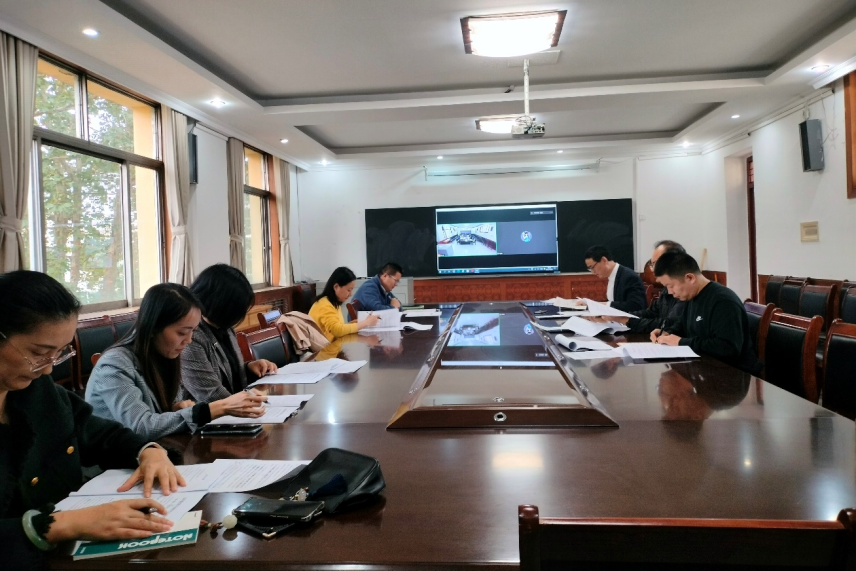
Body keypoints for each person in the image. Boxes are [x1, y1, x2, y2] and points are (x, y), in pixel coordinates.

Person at [0, 271, 185, 570]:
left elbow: (100, 434)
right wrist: (60, 524)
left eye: (59, 354)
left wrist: (148, 451)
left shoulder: (37, 390)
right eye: (39, 353)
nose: (47, 370)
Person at [86, 284, 266, 441]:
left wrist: (176, 408)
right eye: (182, 333)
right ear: (154, 326)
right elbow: (141, 426)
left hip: (160, 451)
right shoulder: (114, 365)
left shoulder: (164, 354)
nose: (188, 340)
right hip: (117, 464)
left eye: (193, 331)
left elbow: (165, 412)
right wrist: (215, 409)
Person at [651, 251, 761, 375]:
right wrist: (667, 333)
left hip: (732, 375)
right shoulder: (692, 296)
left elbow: (727, 348)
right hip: (704, 368)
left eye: (671, 286)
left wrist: (681, 342)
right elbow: (682, 324)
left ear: (690, 278)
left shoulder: (723, 301)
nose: (670, 292)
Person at [181, 264, 278, 403]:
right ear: (222, 304)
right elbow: (210, 394)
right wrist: (250, 402)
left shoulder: (226, 327)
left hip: (235, 409)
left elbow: (229, 374)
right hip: (212, 413)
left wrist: (249, 368)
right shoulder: (192, 337)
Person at [587, 240, 687, 333]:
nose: (653, 269)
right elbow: (651, 313)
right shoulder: (667, 289)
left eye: (655, 263)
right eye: (652, 264)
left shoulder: (685, 290)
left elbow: (668, 324)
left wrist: (626, 320)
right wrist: (619, 317)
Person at [309, 267, 380, 342]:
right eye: (349, 290)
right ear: (336, 287)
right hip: (323, 348)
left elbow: (337, 327)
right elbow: (337, 331)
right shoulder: (324, 305)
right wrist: (366, 323)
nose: (351, 294)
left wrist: (355, 324)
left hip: (332, 345)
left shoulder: (334, 303)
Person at [584, 245, 646, 312]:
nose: (593, 272)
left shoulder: (629, 277)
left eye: (592, 267)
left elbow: (636, 306)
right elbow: (613, 301)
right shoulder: (613, 275)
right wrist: (591, 304)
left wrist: (602, 304)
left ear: (604, 260)